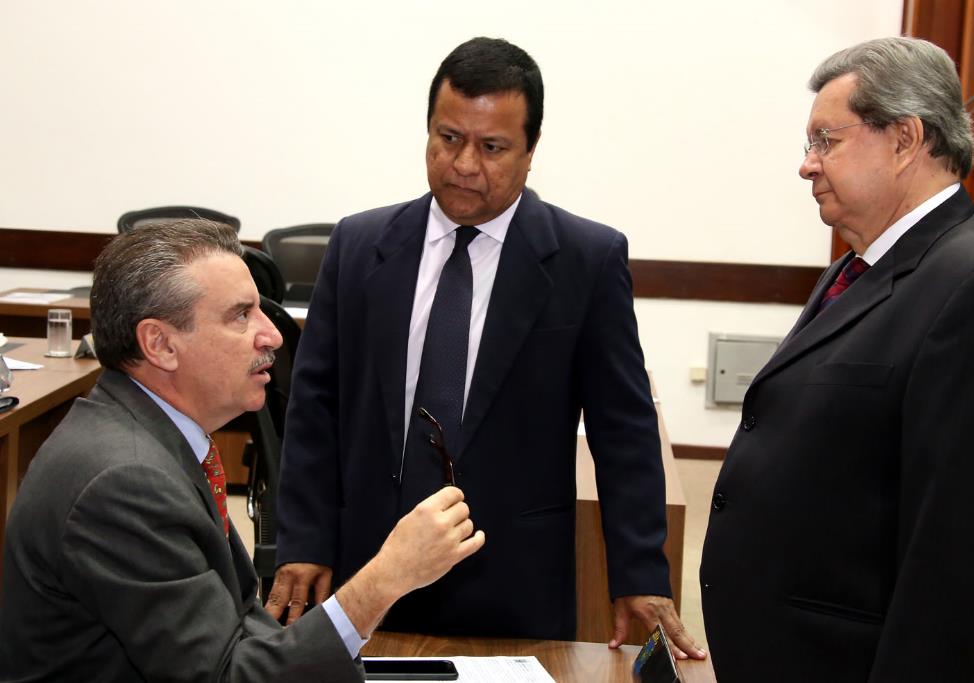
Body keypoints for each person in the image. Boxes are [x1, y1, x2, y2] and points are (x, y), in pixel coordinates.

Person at [270, 36, 703, 658]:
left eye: (492, 147)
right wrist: (305, 540)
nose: (465, 164)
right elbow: (315, 407)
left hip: (516, 577)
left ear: (531, 150)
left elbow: (623, 429)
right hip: (369, 568)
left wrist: (640, 571)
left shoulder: (586, 259)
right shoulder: (360, 246)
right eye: (448, 138)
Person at [0, 220, 484, 681]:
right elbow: (228, 675)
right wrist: (385, 579)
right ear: (160, 344)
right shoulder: (124, 483)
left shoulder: (148, 435)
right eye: (241, 315)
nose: (272, 334)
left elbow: (234, 634)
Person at [700, 36, 974, 682]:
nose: (807, 165)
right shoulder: (860, 264)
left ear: (905, 139)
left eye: (826, 140)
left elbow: (959, 561)